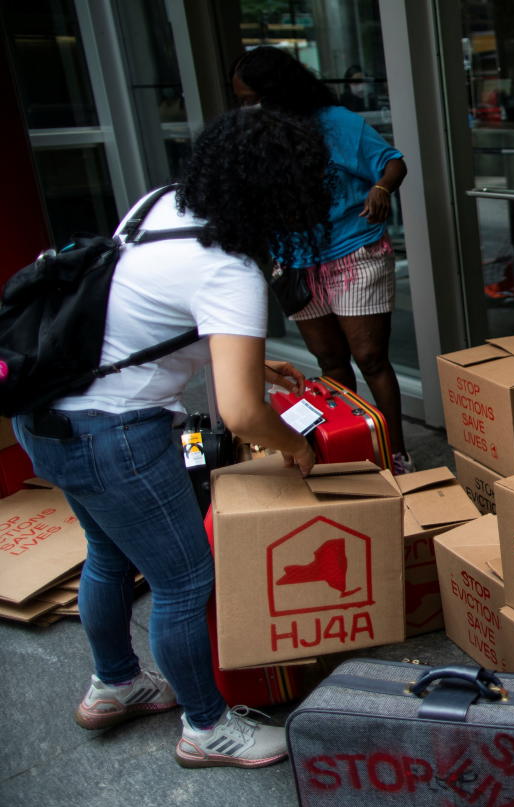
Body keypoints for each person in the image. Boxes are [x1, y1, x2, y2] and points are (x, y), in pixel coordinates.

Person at [11, 106, 330, 769]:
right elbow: (241, 414)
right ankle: (207, 728)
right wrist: (295, 447)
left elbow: (144, 309)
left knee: (107, 554)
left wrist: (242, 357)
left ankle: (115, 685)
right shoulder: (232, 269)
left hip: (47, 418)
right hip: (116, 437)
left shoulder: (161, 205)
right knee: (185, 582)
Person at [230, 46, 413, 472]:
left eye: (251, 98)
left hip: (352, 249)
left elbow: (393, 163)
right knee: (331, 363)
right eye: (241, 100)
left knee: (370, 359)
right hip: (297, 262)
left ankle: (396, 454)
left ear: (276, 91)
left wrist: (381, 188)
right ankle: (347, 448)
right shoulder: (257, 137)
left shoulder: (336, 123)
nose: (246, 108)